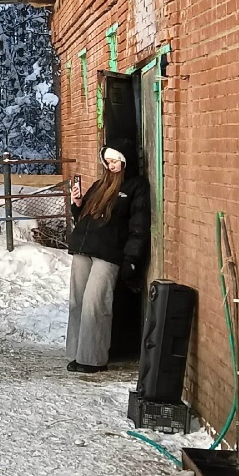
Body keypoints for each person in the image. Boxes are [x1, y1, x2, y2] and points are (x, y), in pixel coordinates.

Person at [66, 141, 151, 373]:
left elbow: (138, 226)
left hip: (109, 252)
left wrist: (131, 258)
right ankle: (76, 353)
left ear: (125, 161)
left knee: (95, 303)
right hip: (83, 247)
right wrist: (77, 204)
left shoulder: (136, 186)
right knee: (77, 302)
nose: (111, 165)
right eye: (108, 161)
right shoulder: (99, 184)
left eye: (115, 161)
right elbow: (83, 216)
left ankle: (92, 358)